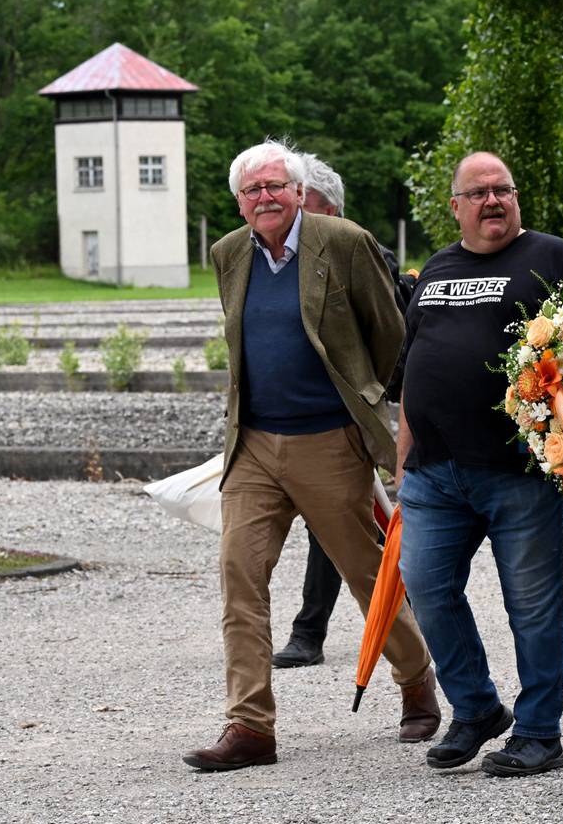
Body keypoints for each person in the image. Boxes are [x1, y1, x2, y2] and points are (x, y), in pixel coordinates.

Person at [183, 140, 437, 772]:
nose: (264, 198)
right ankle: (250, 726)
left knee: (366, 574)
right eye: (252, 190)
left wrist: (365, 408)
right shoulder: (227, 254)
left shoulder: (343, 242)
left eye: (275, 186)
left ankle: (416, 679)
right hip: (254, 445)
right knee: (240, 575)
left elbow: (391, 335)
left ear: (298, 191)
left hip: (330, 441)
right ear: (238, 203)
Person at [392, 152, 563, 778]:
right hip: (432, 473)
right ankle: (476, 708)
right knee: (425, 586)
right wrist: (401, 468)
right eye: (476, 193)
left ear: (516, 196)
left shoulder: (554, 258)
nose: (491, 201)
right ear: (455, 207)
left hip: (518, 471)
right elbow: (410, 377)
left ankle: (539, 732)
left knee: (530, 604)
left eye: (502, 189)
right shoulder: (437, 270)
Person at [270, 154, 423, 675]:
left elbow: (388, 340)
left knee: (343, 523)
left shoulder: (359, 253)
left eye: (299, 201)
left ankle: (317, 631)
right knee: (353, 523)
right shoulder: (277, 259)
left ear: (328, 208)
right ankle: (411, 611)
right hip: (300, 416)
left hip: (349, 415)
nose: (287, 212)